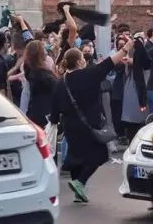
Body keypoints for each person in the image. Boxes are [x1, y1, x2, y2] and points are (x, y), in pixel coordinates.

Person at [50, 39, 135, 203]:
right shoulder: (89, 74)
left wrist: (55, 121)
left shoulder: (61, 83)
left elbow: (54, 110)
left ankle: (78, 193)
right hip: (89, 125)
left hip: (70, 126)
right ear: (81, 61)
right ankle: (80, 182)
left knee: (76, 157)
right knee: (100, 154)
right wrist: (125, 49)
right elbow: (110, 63)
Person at [23, 40, 57, 128]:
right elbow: (57, 86)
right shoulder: (41, 73)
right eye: (44, 49)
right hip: (44, 115)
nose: (46, 51)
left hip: (36, 113)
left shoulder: (32, 70)